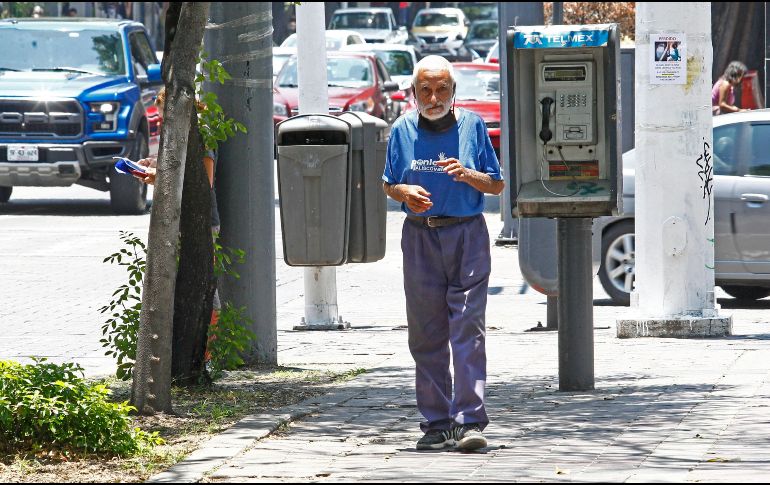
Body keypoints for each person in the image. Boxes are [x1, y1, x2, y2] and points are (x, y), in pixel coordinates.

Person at [382, 55, 504, 451]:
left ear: (454, 91)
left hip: (467, 235)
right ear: (414, 92)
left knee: (467, 328)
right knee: (425, 332)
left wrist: (467, 174)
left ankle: (470, 422)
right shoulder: (402, 129)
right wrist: (401, 192)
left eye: (442, 89)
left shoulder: (472, 126)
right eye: (425, 90)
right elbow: (388, 183)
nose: (434, 97)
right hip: (419, 238)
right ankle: (436, 422)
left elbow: (496, 185)